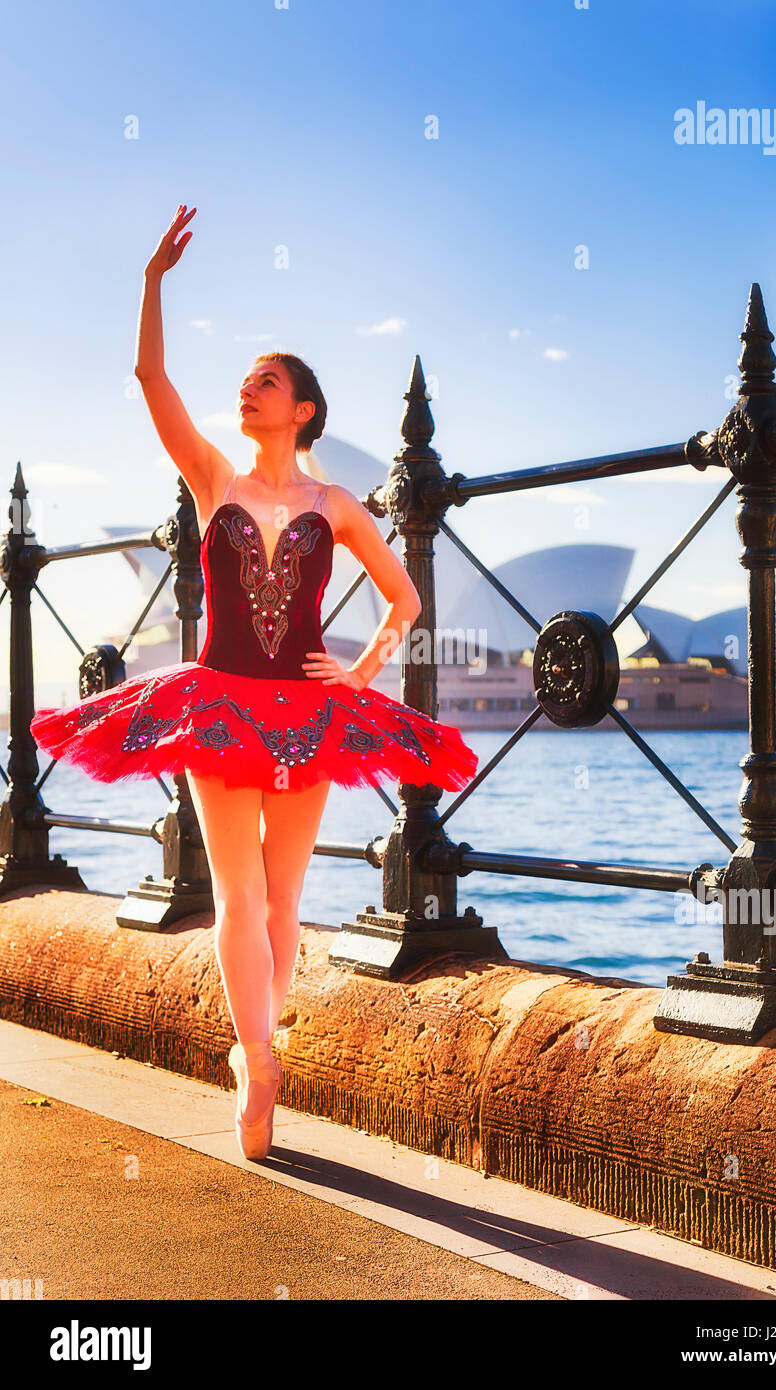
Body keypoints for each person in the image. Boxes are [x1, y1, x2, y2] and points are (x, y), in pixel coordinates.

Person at [30, 205, 479, 1162]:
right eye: (242, 382)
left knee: (273, 901)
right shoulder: (214, 481)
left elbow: (403, 600)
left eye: (264, 382)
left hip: (307, 713)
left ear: (303, 408)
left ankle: (254, 1060)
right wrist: (152, 282)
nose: (248, 391)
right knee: (251, 898)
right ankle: (261, 1060)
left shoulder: (333, 502)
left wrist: (352, 673)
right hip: (227, 703)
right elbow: (151, 378)